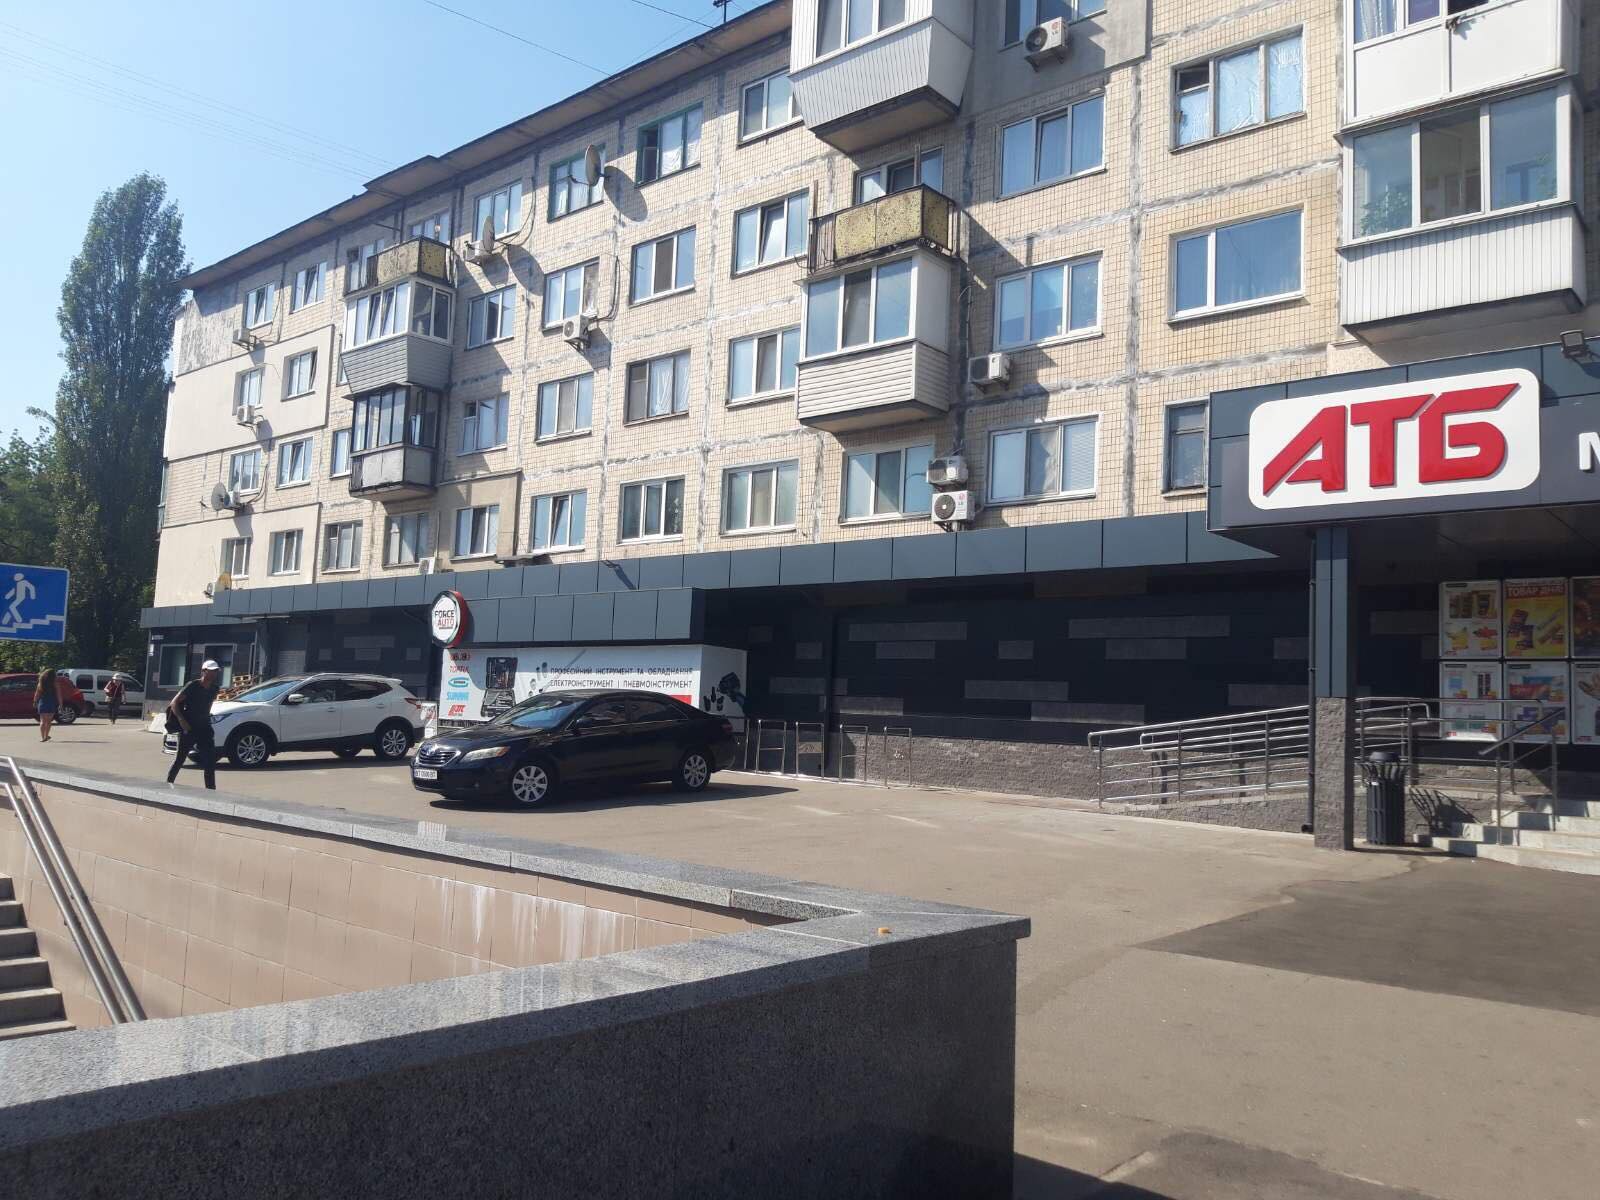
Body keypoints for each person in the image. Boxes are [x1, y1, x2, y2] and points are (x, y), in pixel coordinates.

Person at [166, 660, 222, 790]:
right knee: (180, 759)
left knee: (209, 762)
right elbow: (174, 703)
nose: (214, 673)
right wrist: (182, 721)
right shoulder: (193, 685)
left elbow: (208, 704)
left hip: (205, 728)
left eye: (216, 671)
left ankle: (211, 791)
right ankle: (167, 784)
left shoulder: (215, 688)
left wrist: (207, 716)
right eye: (211, 671)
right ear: (203, 671)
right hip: (189, 728)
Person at [33, 667, 65, 742]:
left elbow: (37, 694)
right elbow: (59, 695)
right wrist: (61, 705)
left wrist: (35, 702)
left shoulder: (41, 683)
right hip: (51, 703)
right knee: (49, 721)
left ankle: (43, 737)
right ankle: (46, 736)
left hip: (42, 703)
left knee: (42, 721)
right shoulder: (55, 683)